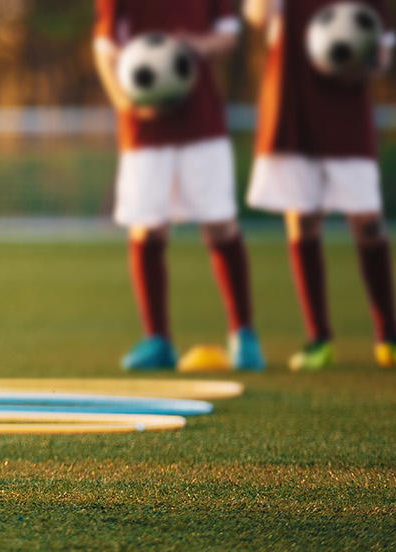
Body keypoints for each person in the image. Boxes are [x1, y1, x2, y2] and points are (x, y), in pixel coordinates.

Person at [93, 0, 265, 371]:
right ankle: (157, 339)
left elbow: (229, 36)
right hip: (144, 127)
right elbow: (104, 49)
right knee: (147, 229)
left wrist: (196, 45)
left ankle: (244, 335)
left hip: (202, 122)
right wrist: (127, 102)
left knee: (220, 224)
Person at [244, 0, 396, 370]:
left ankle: (388, 335)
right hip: (291, 103)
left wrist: (365, 63)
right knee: (302, 220)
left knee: (368, 220)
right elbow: (256, 15)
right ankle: (319, 338)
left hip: (346, 107)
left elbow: (383, 55)